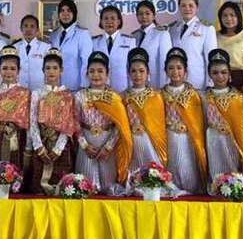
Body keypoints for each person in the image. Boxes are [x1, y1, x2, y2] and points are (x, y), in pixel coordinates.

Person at [201, 49, 243, 196]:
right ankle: (216, 189)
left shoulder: (237, 97)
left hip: (231, 140)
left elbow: (242, 127)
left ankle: (234, 188)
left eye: (224, 72)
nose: (220, 76)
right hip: (212, 138)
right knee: (215, 170)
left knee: (232, 169)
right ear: (209, 75)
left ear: (229, 74)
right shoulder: (204, 96)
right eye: (215, 73)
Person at [73, 52, 132, 195]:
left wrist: (108, 147)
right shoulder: (79, 96)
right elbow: (75, 122)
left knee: (108, 187)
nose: (96, 75)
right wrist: (84, 145)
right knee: (85, 186)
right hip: (87, 142)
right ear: (86, 74)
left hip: (107, 143)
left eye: (100, 71)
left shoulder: (114, 97)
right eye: (92, 71)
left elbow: (119, 126)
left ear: (107, 74)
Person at [28, 48, 78, 195]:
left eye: (55, 68)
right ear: (43, 70)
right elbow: (32, 121)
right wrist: (38, 146)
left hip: (60, 145)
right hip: (42, 143)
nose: (51, 72)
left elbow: (68, 124)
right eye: (48, 68)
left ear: (61, 70)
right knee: (38, 188)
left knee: (60, 187)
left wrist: (58, 148)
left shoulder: (67, 94)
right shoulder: (37, 93)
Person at [160, 47, 206, 195]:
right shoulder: (161, 94)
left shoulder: (193, 94)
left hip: (187, 139)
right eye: (171, 68)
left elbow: (199, 123)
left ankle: (190, 191)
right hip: (169, 137)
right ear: (166, 71)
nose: (175, 72)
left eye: (179, 68)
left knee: (187, 166)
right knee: (172, 166)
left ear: (186, 70)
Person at [122, 48, 168, 193]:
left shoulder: (156, 96)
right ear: (129, 74)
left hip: (150, 143)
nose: (138, 75)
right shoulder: (122, 97)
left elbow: (159, 128)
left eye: (141, 71)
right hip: (130, 142)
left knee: (151, 172)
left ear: (148, 73)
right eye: (133, 71)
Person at [0, 45, 31, 171]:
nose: (8, 72)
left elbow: (29, 124)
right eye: (4, 68)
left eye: (12, 68)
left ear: (19, 70)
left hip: (20, 140)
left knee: (17, 173)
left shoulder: (25, 93)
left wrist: (29, 148)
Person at [168, 0, 217, 91]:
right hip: (176, 78)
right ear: (179, 8)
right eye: (183, 6)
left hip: (197, 79)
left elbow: (210, 58)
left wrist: (210, 82)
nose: (187, 8)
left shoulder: (206, 28)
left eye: (191, 5)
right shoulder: (172, 28)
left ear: (197, 8)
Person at [48, 0, 93, 92]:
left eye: (69, 10)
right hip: (55, 87)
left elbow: (86, 62)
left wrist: (84, 85)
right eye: (62, 11)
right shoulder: (53, 35)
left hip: (75, 87)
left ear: (74, 13)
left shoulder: (82, 34)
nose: (65, 14)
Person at [216, 1, 243, 92]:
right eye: (225, 15)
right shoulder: (215, 36)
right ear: (220, 18)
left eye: (232, 15)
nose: (228, 19)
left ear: (238, 17)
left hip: (241, 81)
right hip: (219, 79)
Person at [92, 5, 137, 93]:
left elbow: (132, 68)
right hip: (100, 90)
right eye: (106, 18)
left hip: (122, 90)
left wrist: (131, 90)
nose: (109, 22)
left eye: (113, 18)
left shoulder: (129, 41)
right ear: (101, 22)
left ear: (119, 21)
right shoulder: (94, 42)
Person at [130, 0, 172, 89]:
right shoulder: (134, 36)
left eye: (147, 13)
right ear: (137, 16)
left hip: (155, 83)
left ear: (154, 15)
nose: (144, 16)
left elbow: (165, 63)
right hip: (136, 83)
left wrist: (163, 87)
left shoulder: (162, 34)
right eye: (140, 14)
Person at [12, 14, 51, 91]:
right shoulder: (14, 48)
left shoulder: (46, 47)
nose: (28, 29)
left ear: (37, 29)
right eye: (25, 26)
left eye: (32, 26)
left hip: (40, 91)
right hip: (19, 91)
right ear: (21, 28)